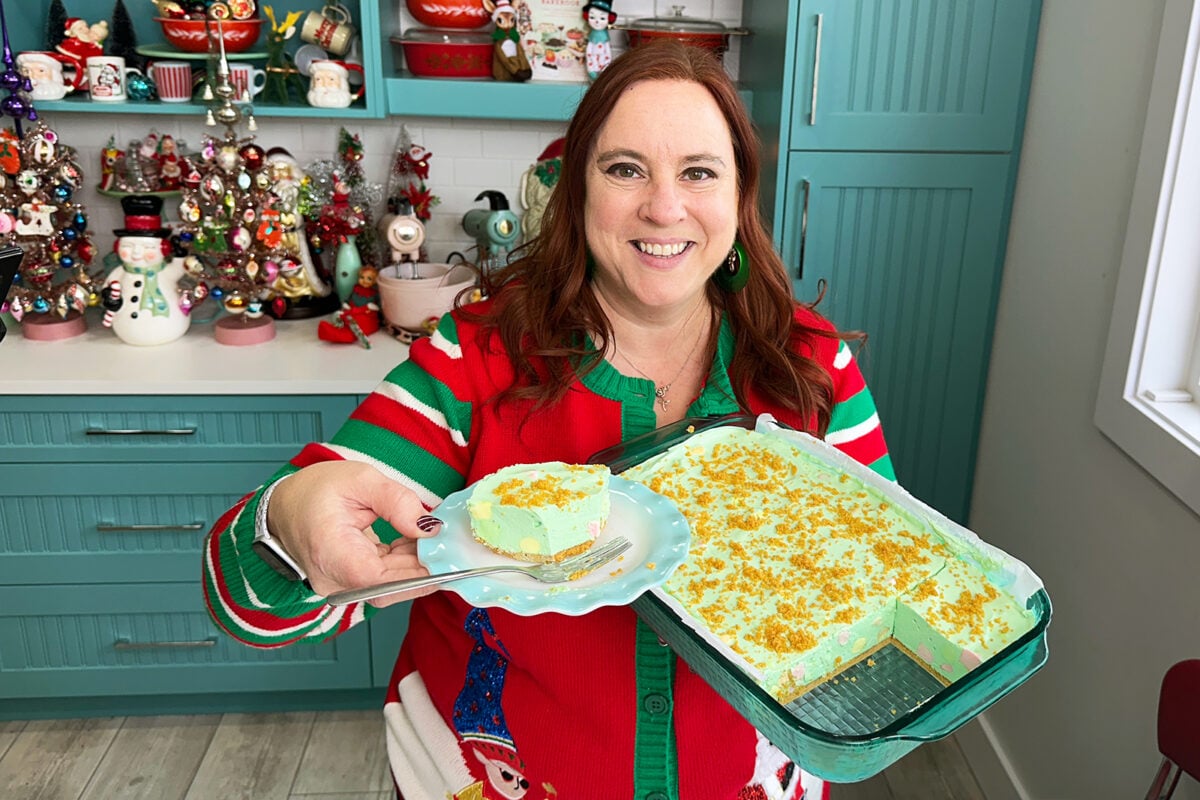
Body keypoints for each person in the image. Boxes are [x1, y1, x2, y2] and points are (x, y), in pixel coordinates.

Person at [202, 40, 894, 800]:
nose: (665, 207)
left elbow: (885, 589)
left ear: (740, 195)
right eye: (625, 169)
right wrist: (290, 520)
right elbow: (250, 607)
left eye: (699, 172)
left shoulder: (812, 365)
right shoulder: (474, 359)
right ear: (577, 191)